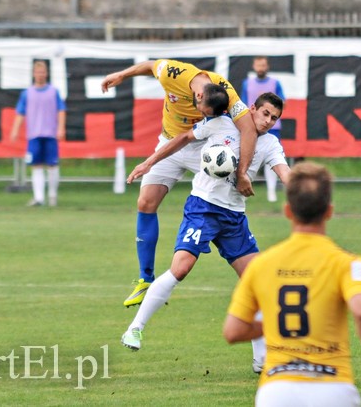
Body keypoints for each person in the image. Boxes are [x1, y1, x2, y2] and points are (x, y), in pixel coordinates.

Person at [120, 93, 290, 374]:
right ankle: (135, 328)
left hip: (234, 217)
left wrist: (303, 188)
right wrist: (150, 162)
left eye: (274, 118)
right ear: (252, 109)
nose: (268, 122)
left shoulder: (270, 143)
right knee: (181, 268)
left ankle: (262, 361)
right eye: (265, 114)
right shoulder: (222, 124)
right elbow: (184, 138)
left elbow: (284, 172)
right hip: (203, 207)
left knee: (258, 280)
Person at [223, 162, 361, 407]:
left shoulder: (261, 264)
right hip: (333, 386)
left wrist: (275, 323)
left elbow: (232, 331)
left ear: (288, 211)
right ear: (329, 211)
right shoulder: (347, 263)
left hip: (277, 390)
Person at [101, 59, 259, 307]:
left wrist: (242, 173)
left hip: (206, 151)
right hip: (170, 143)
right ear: (197, 95)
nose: (201, 115)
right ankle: (145, 280)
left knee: (229, 199)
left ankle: (242, 252)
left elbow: (248, 128)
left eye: (205, 114)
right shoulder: (172, 73)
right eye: (203, 111)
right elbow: (150, 65)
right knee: (145, 202)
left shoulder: (225, 91)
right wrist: (123, 74)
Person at [9, 60, 66, 207]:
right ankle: (39, 197)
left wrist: (60, 128)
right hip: (34, 134)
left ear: (46, 74)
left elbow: (61, 110)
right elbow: (20, 113)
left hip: (50, 134)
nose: (40, 75)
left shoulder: (54, 92)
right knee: (36, 165)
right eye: (38, 72)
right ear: (34, 74)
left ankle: (52, 195)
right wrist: (15, 130)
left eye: (43, 72)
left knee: (52, 165)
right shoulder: (27, 93)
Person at [241, 56, 286, 203]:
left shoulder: (275, 83)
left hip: (273, 130)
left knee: (272, 159)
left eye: (263, 65)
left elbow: (282, 103)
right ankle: (243, 187)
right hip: (250, 126)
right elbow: (243, 103)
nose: (261, 68)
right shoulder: (247, 83)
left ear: (267, 66)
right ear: (254, 66)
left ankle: (271, 191)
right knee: (245, 155)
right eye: (258, 65)